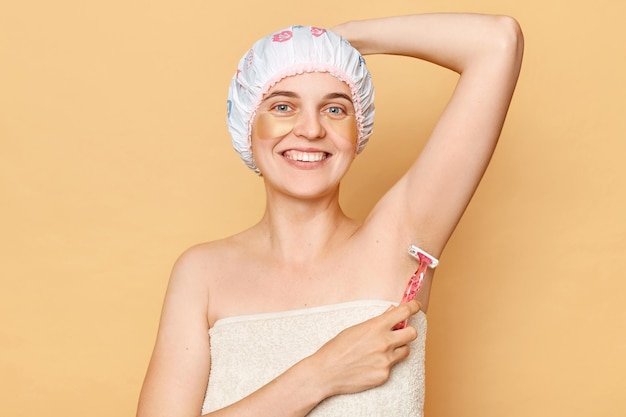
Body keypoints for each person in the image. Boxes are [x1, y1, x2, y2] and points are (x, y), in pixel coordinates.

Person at [137, 12, 524, 417]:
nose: (311, 129)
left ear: (359, 131)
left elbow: (497, 41)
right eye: (284, 106)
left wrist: (342, 40)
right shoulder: (202, 274)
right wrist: (321, 374)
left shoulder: (397, 244)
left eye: (335, 109)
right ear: (247, 124)